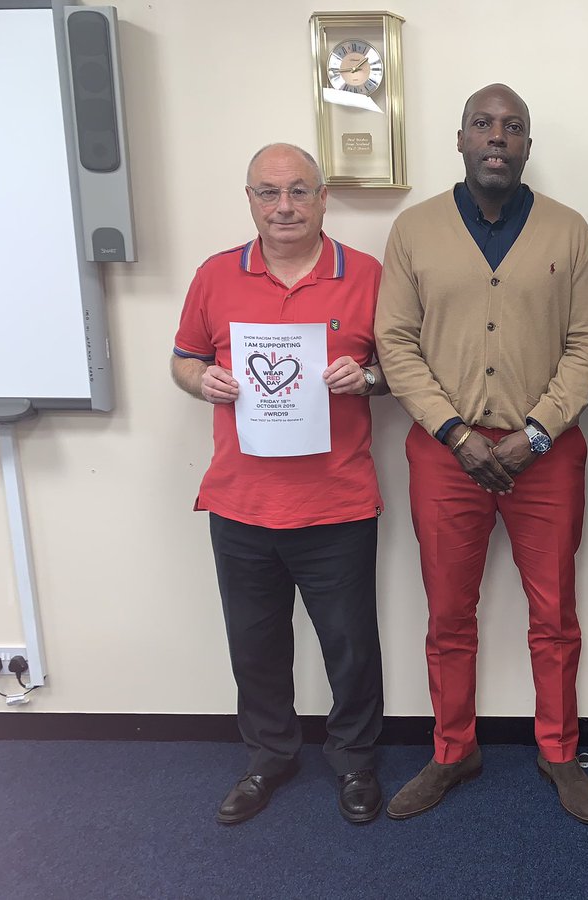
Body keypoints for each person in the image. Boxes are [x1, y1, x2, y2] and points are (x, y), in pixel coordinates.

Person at [375, 83, 588, 825]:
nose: (496, 137)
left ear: (528, 146)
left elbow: (586, 344)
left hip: (547, 454)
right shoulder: (413, 231)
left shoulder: (569, 232)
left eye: (512, 127)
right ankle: (452, 751)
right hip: (446, 457)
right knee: (449, 613)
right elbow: (396, 344)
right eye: (483, 124)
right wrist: (455, 432)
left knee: (556, 613)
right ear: (461, 139)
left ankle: (560, 752)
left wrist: (535, 432)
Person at [170, 143, 389, 826]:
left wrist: (370, 378)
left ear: (324, 198)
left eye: (299, 191)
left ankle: (354, 761)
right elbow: (183, 359)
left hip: (337, 503)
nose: (285, 206)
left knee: (351, 647)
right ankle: (269, 757)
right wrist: (199, 381)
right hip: (240, 503)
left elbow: (401, 368)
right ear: (250, 200)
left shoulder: (370, 276)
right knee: (256, 646)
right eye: (269, 193)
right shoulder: (213, 276)